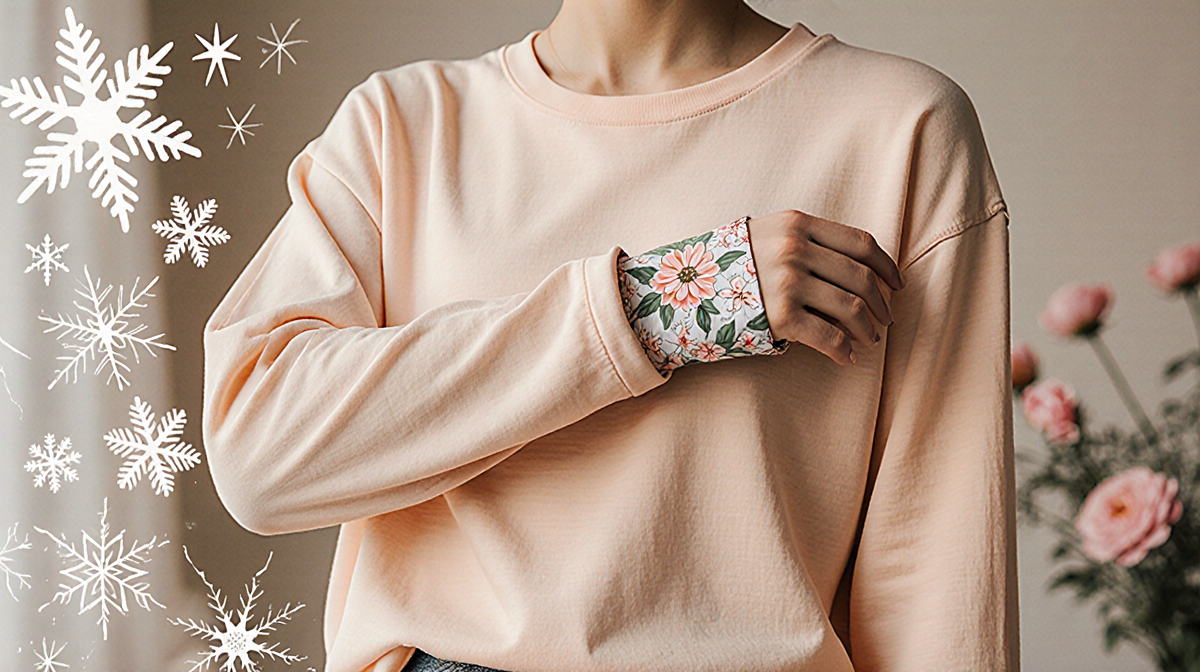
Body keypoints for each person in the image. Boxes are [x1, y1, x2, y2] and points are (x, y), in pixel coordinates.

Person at [202, 0, 1019, 670]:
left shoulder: (900, 125)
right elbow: (257, 450)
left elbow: (940, 572)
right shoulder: (403, 126)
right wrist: (664, 303)